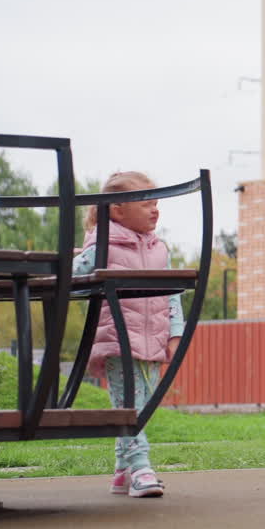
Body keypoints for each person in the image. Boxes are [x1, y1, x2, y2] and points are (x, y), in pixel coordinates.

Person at [75, 171, 182, 498]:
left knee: (139, 405)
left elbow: (172, 295)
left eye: (157, 203)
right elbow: (76, 273)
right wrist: (74, 260)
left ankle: (122, 472)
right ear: (117, 210)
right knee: (129, 407)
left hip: (152, 341)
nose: (155, 209)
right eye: (146, 203)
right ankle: (141, 467)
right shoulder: (102, 246)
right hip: (117, 341)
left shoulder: (159, 249)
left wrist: (175, 334)